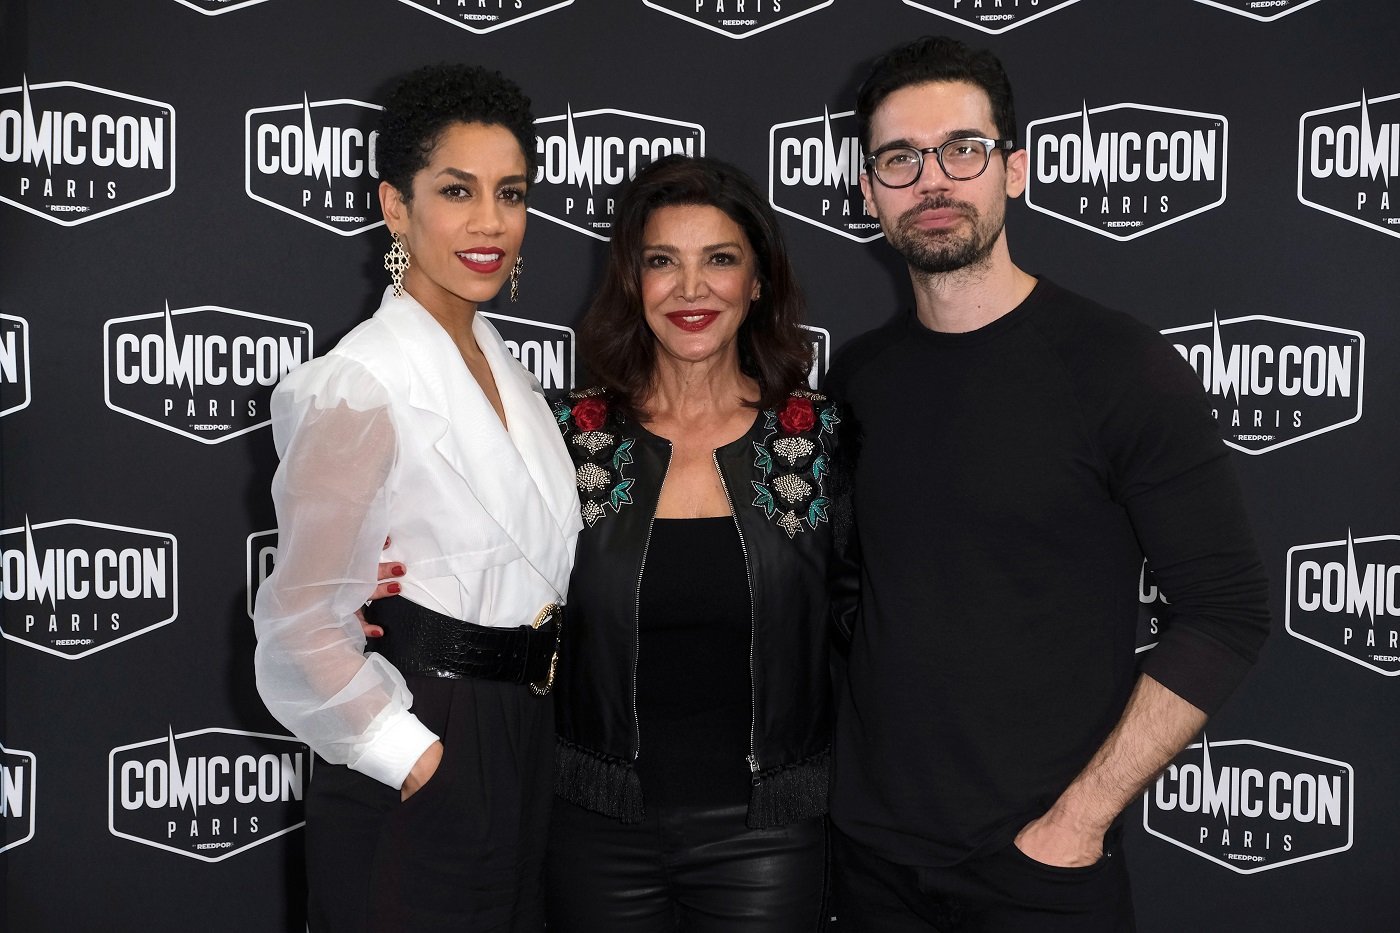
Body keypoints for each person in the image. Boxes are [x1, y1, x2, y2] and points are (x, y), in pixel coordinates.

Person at [826, 36, 1271, 931]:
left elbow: (1226, 611)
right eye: (899, 159)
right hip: (868, 861)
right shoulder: (856, 381)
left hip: (1039, 870)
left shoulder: (1118, 367)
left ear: (1014, 170)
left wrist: (1078, 822)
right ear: (869, 192)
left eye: (963, 149)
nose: (932, 180)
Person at [252, 64, 581, 933]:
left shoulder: (509, 371)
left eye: (510, 193)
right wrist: (418, 757)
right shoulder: (361, 381)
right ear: (396, 208)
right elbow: (299, 625)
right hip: (426, 733)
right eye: (456, 191)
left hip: (523, 738)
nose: (489, 223)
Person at [542, 154, 846, 932]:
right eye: (661, 262)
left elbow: (876, 618)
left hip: (768, 835)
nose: (690, 289)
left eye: (719, 259)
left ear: (758, 282)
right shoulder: (568, 437)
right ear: (631, 282)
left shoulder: (818, 440)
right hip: (595, 830)